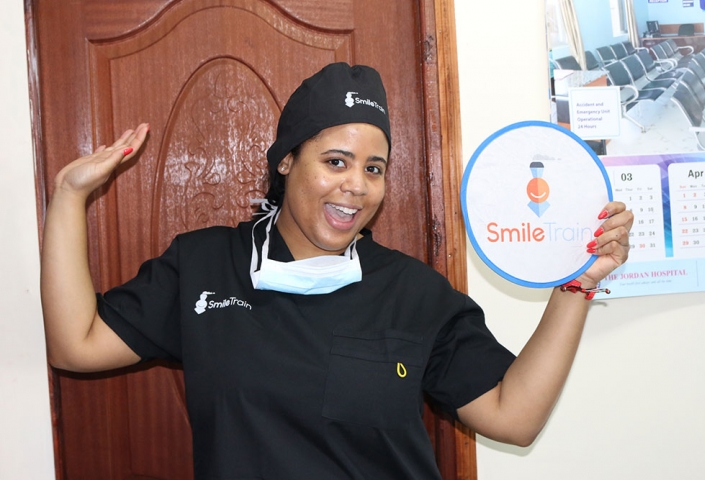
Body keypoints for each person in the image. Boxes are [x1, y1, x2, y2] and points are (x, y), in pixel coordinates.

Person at [41, 62, 633, 479]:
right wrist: (68, 196)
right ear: (287, 161)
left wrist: (578, 283)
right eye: (335, 161)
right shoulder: (203, 267)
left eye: (374, 168)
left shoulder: (412, 293)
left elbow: (515, 415)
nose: (357, 185)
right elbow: (77, 344)